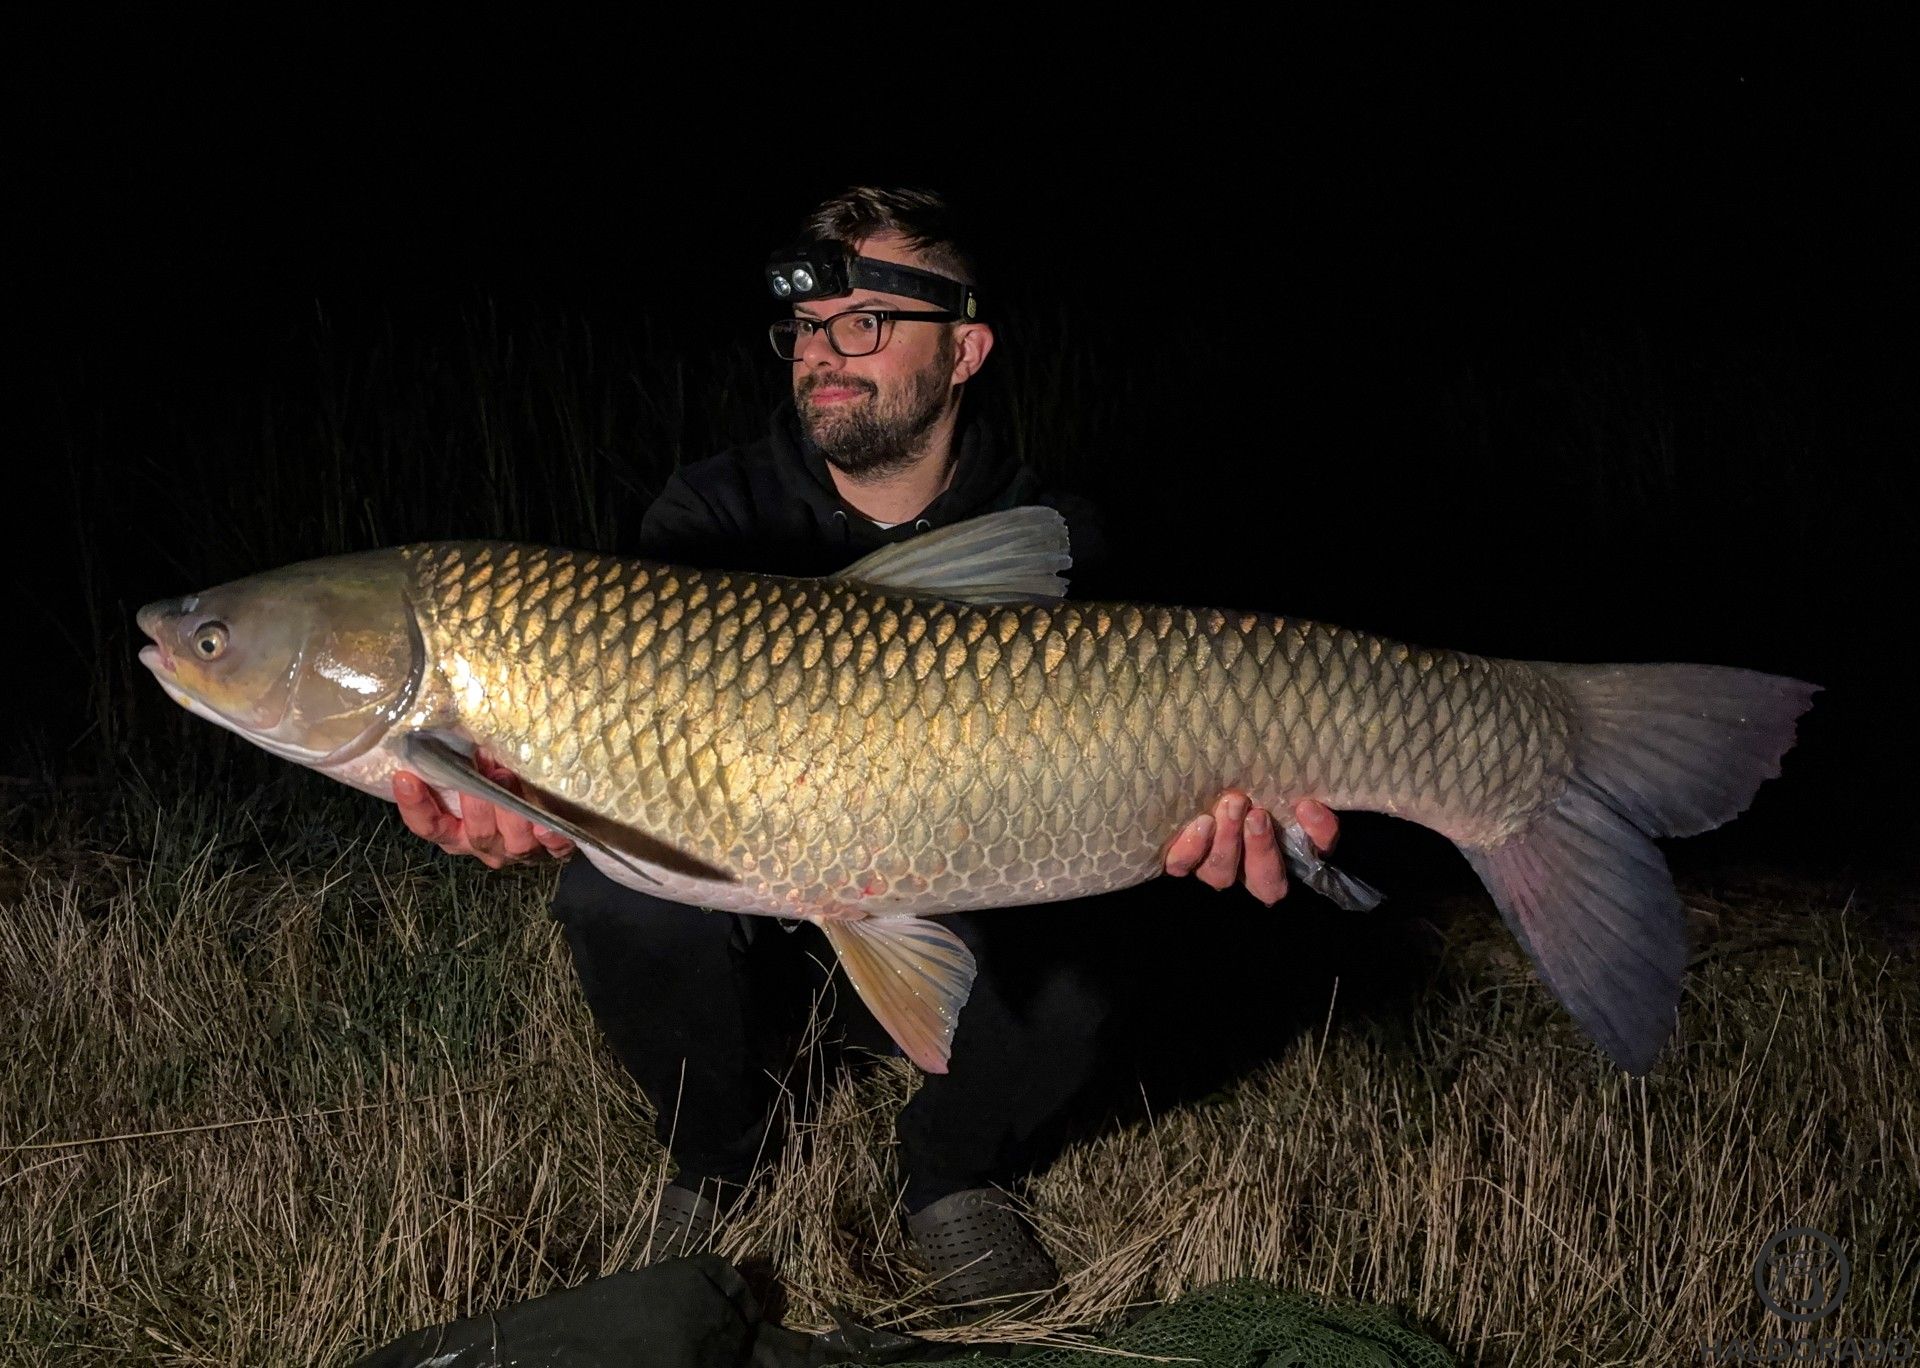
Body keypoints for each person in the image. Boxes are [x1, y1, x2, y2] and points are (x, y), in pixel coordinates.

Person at [391, 187, 1339, 1311]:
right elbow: (615, 757)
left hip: (979, 869)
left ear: (967, 348)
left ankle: (955, 1169)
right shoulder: (709, 518)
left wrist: (1213, 822)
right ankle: (720, 1160)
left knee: (1129, 915)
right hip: (755, 893)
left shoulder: (1060, 536)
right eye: (805, 328)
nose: (822, 355)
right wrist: (521, 799)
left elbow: (1158, 771)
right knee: (617, 896)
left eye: (866, 322)